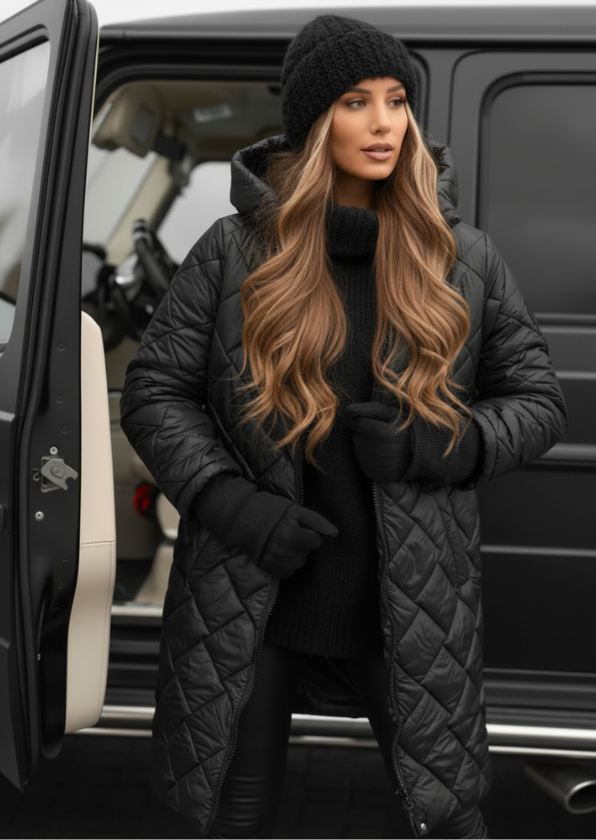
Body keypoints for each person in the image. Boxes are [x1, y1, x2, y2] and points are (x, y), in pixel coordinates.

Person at [120, 14, 567, 840]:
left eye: (397, 100)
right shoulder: (232, 253)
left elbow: (538, 400)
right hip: (250, 595)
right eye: (357, 102)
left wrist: (441, 445)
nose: (385, 123)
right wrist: (230, 504)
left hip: (408, 602)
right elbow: (155, 391)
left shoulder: (461, 258)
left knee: (445, 819)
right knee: (228, 812)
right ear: (315, 123)